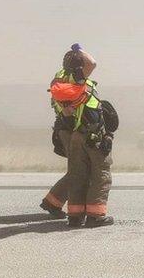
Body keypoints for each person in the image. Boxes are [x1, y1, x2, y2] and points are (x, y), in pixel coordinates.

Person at [47, 44, 114, 227]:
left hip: (75, 132)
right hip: (91, 133)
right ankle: (96, 216)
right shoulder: (78, 79)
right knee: (100, 174)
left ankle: (75, 217)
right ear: (79, 66)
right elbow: (92, 62)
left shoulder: (60, 80)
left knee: (77, 175)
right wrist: (79, 49)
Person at [40, 44, 97, 218]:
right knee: (79, 171)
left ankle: (53, 201)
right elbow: (92, 63)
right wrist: (78, 50)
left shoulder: (60, 76)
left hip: (66, 127)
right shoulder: (75, 76)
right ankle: (54, 203)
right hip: (74, 129)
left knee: (78, 170)